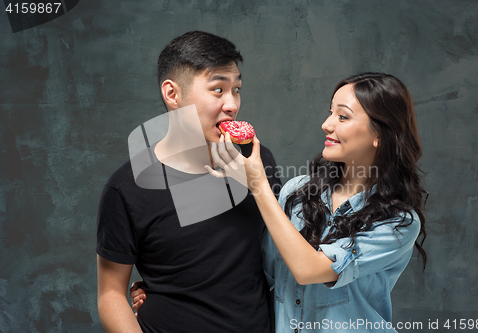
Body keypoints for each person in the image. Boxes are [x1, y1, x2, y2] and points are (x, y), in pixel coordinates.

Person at [135, 72, 427, 332]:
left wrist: (257, 185)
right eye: (330, 113)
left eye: (342, 116)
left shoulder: (398, 223)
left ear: (380, 135)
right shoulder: (297, 191)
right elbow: (250, 269)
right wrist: (166, 288)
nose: (326, 125)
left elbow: (309, 269)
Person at [96, 31, 280, 333]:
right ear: (172, 94)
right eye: (218, 90)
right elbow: (110, 294)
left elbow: (284, 257)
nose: (232, 104)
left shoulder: (258, 163)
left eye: (236, 90)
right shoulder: (126, 188)